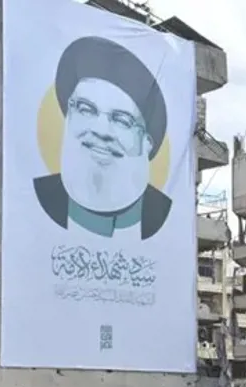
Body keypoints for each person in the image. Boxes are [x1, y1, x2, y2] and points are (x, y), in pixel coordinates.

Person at [32, 37, 174, 241]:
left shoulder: (159, 214)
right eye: (86, 109)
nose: (101, 130)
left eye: (122, 120)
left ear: (147, 143)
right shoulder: (39, 196)